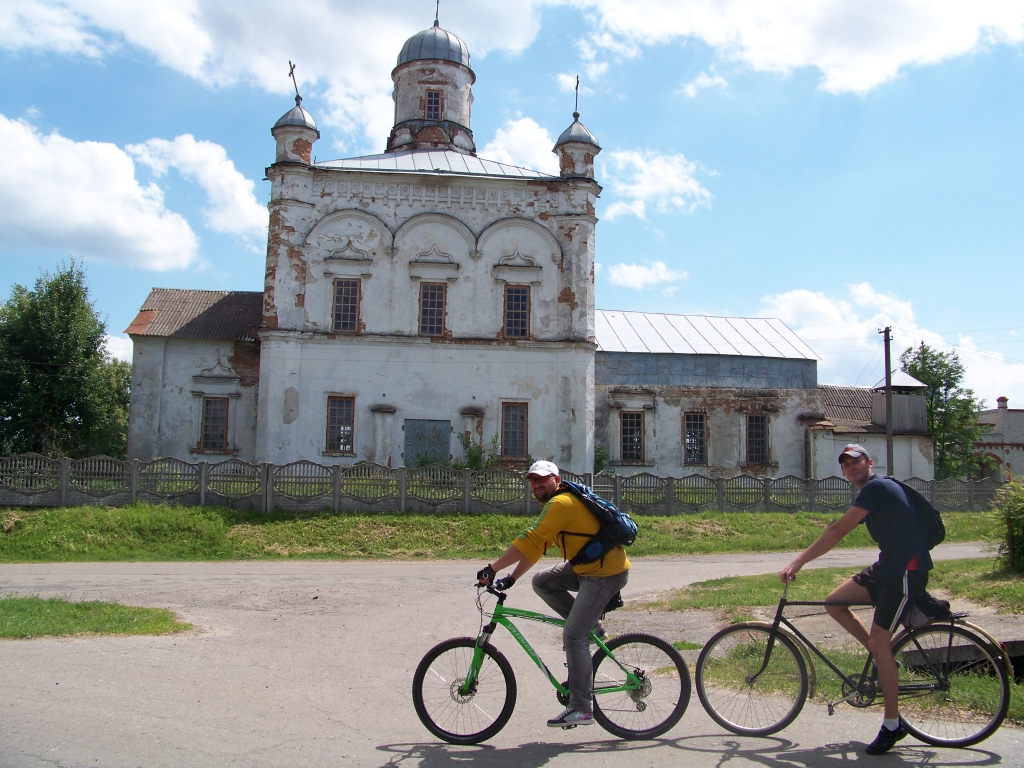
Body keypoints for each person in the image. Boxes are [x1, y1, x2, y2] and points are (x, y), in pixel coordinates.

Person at [780, 443, 932, 755]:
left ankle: (893, 725)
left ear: (869, 462)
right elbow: (838, 530)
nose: (851, 467)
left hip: (905, 571)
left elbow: (837, 530)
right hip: (888, 568)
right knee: (834, 602)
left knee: (879, 641)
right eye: (846, 464)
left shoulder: (876, 488)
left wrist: (798, 562)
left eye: (856, 461)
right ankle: (881, 656)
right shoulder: (873, 492)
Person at [476, 459, 629, 728]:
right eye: (532, 480)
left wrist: (493, 568)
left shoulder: (561, 502)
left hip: (604, 574)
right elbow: (538, 546)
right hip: (587, 569)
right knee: (542, 581)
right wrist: (511, 578)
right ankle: (591, 626)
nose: (536, 485)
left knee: (573, 636)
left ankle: (581, 708)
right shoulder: (556, 504)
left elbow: (531, 538)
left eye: (542, 479)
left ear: (556, 480)